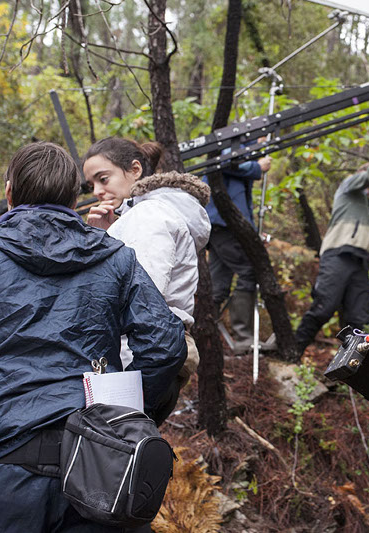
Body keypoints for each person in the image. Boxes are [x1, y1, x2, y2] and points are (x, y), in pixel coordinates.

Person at [0, 142, 186, 531]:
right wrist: (128, 420)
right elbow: (166, 346)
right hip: (99, 468)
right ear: (74, 197)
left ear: (9, 193)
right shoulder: (115, 257)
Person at [84, 137, 211, 424]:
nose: (97, 191)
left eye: (103, 179)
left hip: (137, 357)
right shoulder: (140, 216)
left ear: (135, 170)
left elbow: (141, 294)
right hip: (149, 355)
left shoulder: (149, 215)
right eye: (91, 184)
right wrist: (105, 236)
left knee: (115, 454)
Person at [294, 140, 369, 354]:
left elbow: (358, 233)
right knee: (323, 308)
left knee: (358, 318)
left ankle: (349, 370)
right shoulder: (347, 187)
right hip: (338, 256)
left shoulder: (366, 207)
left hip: (359, 263)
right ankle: (293, 351)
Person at [204, 156, 273, 354]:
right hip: (225, 224)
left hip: (221, 224)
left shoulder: (242, 148)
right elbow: (225, 161)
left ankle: (205, 337)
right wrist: (256, 167)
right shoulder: (236, 146)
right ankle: (244, 338)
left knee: (218, 285)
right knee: (249, 271)